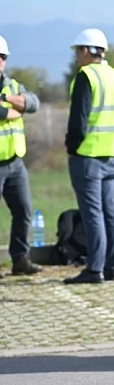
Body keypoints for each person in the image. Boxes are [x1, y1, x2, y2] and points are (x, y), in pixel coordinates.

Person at [63, 28, 114, 285]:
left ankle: (95, 269)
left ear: (86, 51)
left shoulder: (86, 76)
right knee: (111, 211)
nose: (76, 57)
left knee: (93, 214)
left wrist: (72, 146)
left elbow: (78, 119)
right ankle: (112, 267)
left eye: (78, 51)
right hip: (111, 154)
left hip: (87, 155)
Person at [0, 35, 43, 279]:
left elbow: (33, 103)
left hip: (15, 162)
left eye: (2, 57)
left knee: (24, 210)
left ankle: (19, 258)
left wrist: (7, 101)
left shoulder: (13, 86)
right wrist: (14, 111)